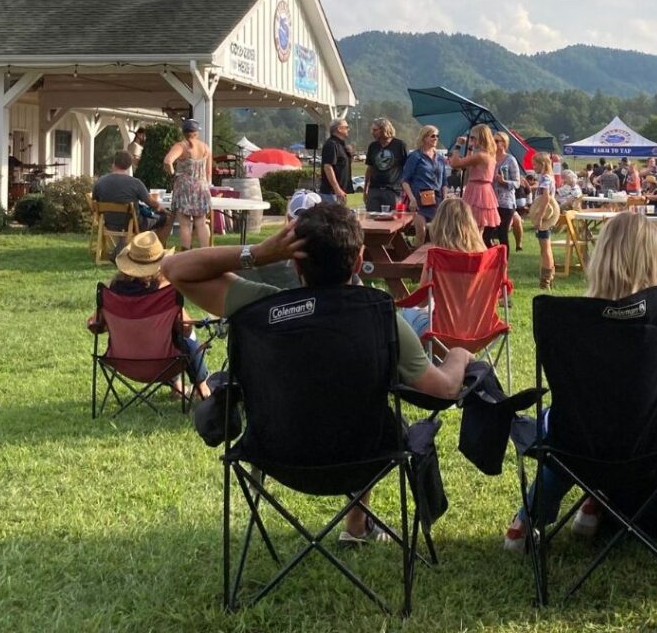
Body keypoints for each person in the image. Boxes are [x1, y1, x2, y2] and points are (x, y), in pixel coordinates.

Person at [161, 203, 473, 544]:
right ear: (358, 261)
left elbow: (174, 268)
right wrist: (458, 355)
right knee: (376, 420)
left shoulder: (260, 307)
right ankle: (357, 524)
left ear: (294, 263)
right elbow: (441, 390)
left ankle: (357, 526)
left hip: (275, 454)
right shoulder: (381, 319)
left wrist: (259, 254)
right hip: (365, 456)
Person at [503, 211, 657, 550]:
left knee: (569, 428)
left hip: (579, 442)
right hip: (655, 442)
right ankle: (597, 503)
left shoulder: (570, 322)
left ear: (601, 257)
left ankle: (527, 519)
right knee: (599, 428)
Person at [89, 230, 210, 400]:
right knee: (183, 335)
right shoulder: (165, 294)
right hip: (164, 362)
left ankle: (177, 386)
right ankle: (201, 387)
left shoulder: (111, 292)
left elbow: (95, 326)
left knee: (159, 334)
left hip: (123, 362)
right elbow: (186, 327)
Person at [403, 197, 488, 339]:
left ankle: (422, 359)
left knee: (406, 312)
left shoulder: (437, 256)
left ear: (439, 224)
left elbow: (422, 300)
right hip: (479, 330)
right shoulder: (485, 257)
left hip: (442, 332)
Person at [93, 150, 172, 244]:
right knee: (168, 219)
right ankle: (155, 249)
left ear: (114, 163)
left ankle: (122, 247)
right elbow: (151, 203)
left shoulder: (100, 182)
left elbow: (94, 202)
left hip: (107, 222)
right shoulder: (135, 183)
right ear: (129, 166)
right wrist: (161, 208)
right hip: (132, 223)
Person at [163, 119, 212, 250]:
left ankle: (186, 253)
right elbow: (208, 172)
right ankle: (206, 252)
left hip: (184, 187)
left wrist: (173, 173)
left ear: (183, 132)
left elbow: (168, 161)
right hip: (201, 187)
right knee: (201, 223)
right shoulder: (205, 147)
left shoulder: (181, 146)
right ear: (197, 133)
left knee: (185, 224)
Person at [448, 125, 501, 233]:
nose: (470, 140)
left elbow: (454, 163)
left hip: (476, 190)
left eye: (473, 138)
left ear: (480, 138)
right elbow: (469, 163)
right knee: (478, 228)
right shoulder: (489, 155)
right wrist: (470, 148)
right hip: (485, 190)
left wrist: (458, 145)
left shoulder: (480, 156)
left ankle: (473, 248)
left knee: (471, 226)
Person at [401, 125, 446, 245]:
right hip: (419, 199)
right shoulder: (415, 156)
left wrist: (444, 199)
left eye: (437, 136)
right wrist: (411, 199)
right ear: (424, 137)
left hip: (437, 199)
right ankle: (417, 262)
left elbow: (444, 181)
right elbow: (405, 180)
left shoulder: (440, 158)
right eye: (432, 136)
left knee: (437, 234)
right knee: (421, 232)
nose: (435, 138)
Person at [363, 117, 407, 213]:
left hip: (392, 191)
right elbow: (369, 168)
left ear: (384, 129)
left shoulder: (399, 145)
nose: (372, 132)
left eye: (375, 130)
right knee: (371, 219)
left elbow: (405, 169)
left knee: (393, 220)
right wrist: (365, 189)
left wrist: (405, 190)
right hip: (374, 190)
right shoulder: (373, 146)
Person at [486, 131, 520, 251]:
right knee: (486, 234)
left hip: (506, 202)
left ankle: (503, 263)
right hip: (490, 201)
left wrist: (504, 181)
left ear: (504, 143)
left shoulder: (510, 160)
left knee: (502, 233)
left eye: (497, 141)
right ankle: (492, 259)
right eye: (492, 141)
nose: (493, 143)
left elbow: (517, 183)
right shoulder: (489, 158)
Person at [531, 152, 558, 289]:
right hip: (546, 216)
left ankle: (546, 280)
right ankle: (549, 277)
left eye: (535, 164)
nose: (533, 166)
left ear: (542, 164)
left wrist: (539, 218)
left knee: (545, 248)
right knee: (546, 248)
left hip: (545, 216)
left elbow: (546, 198)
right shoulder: (546, 177)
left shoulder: (545, 178)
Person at [319, 117, 353, 204]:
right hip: (332, 193)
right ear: (339, 129)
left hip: (339, 192)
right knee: (333, 216)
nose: (348, 129)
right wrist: (337, 188)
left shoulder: (341, 144)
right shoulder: (331, 144)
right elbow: (328, 167)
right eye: (346, 127)